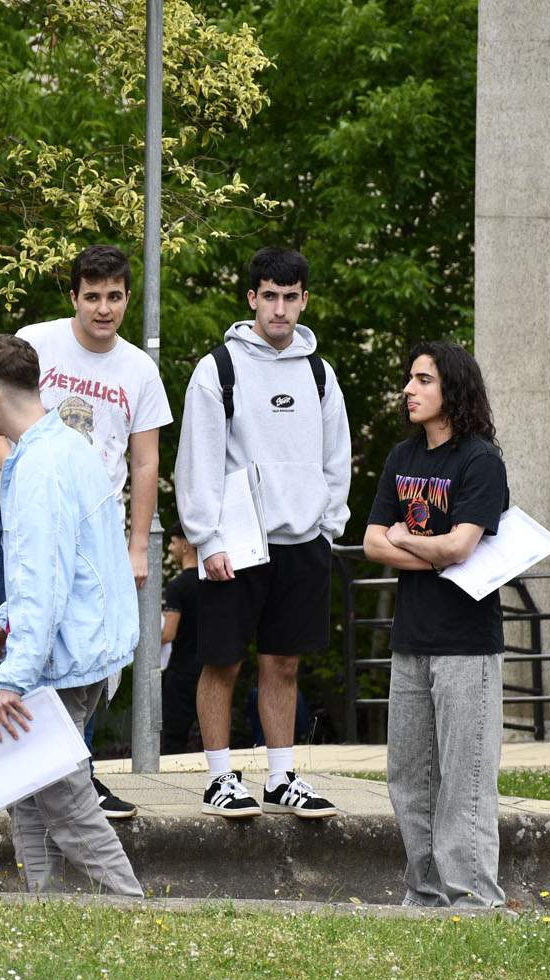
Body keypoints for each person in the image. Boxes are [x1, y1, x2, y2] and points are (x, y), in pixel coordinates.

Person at [0, 243, 170, 824]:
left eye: (114, 297)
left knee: (84, 655)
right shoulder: (38, 341)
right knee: (16, 634)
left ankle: (76, 775)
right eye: (91, 296)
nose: (103, 308)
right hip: (36, 519)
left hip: (94, 532)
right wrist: (22, 472)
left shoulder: (139, 369)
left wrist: (136, 545)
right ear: (73, 297)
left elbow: (145, 463)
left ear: (126, 298)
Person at [0, 334, 143, 897]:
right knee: (31, 788)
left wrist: (13, 677)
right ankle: (43, 907)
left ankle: (134, 912)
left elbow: (44, 578)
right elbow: (68, 566)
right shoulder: (66, 445)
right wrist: (10, 624)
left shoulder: (39, 466)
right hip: (86, 647)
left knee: (65, 801)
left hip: (63, 657)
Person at [174, 247, 351, 820]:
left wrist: (328, 528)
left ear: (305, 300)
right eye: (269, 296)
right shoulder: (218, 369)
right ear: (252, 298)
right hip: (237, 547)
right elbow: (196, 461)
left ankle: (281, 777)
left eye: (290, 297)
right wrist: (207, 540)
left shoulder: (319, 373)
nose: (279, 308)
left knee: (284, 663)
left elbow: (336, 460)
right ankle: (220, 779)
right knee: (222, 662)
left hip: (302, 543)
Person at [362, 341, 510, 909]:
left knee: (466, 780)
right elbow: (376, 543)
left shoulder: (480, 462)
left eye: (423, 380)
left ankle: (473, 900)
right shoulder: (403, 457)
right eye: (409, 378)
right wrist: (425, 547)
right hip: (411, 641)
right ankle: (424, 895)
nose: (409, 389)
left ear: (452, 389)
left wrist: (408, 537)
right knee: (408, 778)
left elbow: (462, 545)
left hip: (466, 645)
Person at [159, 525, 202, 755]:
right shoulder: (211, 583)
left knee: (175, 736)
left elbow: (168, 634)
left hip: (182, 668)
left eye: (173, 543)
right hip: (208, 667)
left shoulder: (178, 587)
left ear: (186, 546)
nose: (170, 548)